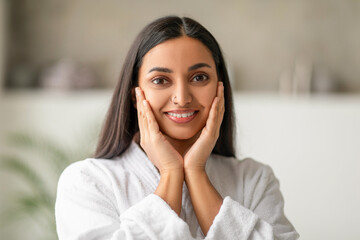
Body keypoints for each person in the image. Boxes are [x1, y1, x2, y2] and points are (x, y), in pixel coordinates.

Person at [55, 16, 299, 240]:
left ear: (219, 87)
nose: (182, 98)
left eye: (199, 77)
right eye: (160, 80)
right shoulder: (88, 181)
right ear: (134, 95)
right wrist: (171, 173)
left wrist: (196, 172)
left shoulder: (254, 179)